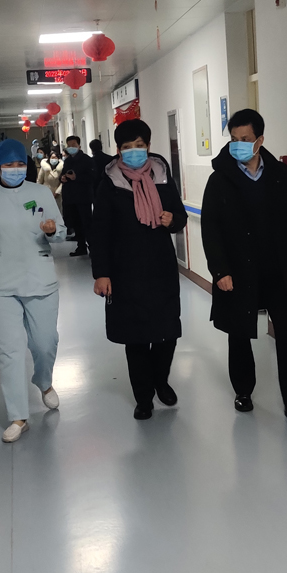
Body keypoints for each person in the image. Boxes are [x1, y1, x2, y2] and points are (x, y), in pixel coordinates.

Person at [200, 109, 287, 426]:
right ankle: (243, 391)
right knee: (239, 333)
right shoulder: (219, 179)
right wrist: (220, 271)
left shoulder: (280, 175)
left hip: (277, 271)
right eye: (234, 139)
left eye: (246, 139)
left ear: (260, 140)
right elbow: (210, 228)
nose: (239, 144)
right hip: (237, 272)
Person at [0, 139, 67, 443]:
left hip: (40, 278)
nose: (15, 169)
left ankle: (43, 381)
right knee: (9, 350)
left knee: (45, 343)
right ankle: (18, 416)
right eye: (8, 165)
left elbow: (60, 232)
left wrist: (52, 230)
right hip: (0, 284)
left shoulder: (40, 193)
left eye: (20, 164)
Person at [91, 119, 187, 419]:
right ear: (118, 150)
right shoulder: (109, 184)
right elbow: (99, 232)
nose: (134, 151)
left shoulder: (162, 177)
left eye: (140, 145)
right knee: (135, 338)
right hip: (125, 271)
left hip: (160, 267)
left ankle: (161, 381)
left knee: (167, 332)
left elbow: (180, 216)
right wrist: (102, 273)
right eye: (127, 147)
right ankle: (143, 397)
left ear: (148, 145)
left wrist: (173, 220)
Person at [59, 135, 93, 257]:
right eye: (69, 145)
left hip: (83, 197)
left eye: (74, 145)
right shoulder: (68, 161)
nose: (71, 147)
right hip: (71, 197)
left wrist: (76, 177)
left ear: (79, 145)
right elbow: (62, 174)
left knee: (87, 223)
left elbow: (92, 177)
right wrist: (62, 178)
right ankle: (81, 247)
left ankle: (93, 248)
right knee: (76, 223)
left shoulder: (87, 160)